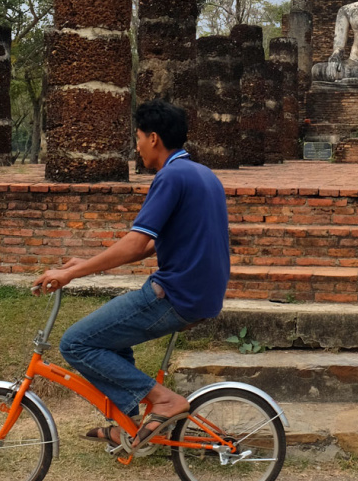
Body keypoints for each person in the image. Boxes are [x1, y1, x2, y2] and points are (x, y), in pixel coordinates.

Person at [32, 99, 231, 448]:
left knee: (76, 343)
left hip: (175, 293)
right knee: (110, 338)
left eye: (137, 138)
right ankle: (130, 423)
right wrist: (82, 265)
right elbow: (158, 243)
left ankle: (164, 401)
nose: (136, 146)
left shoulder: (170, 177)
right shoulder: (203, 175)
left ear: (153, 138)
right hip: (201, 293)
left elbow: (137, 244)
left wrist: (71, 275)